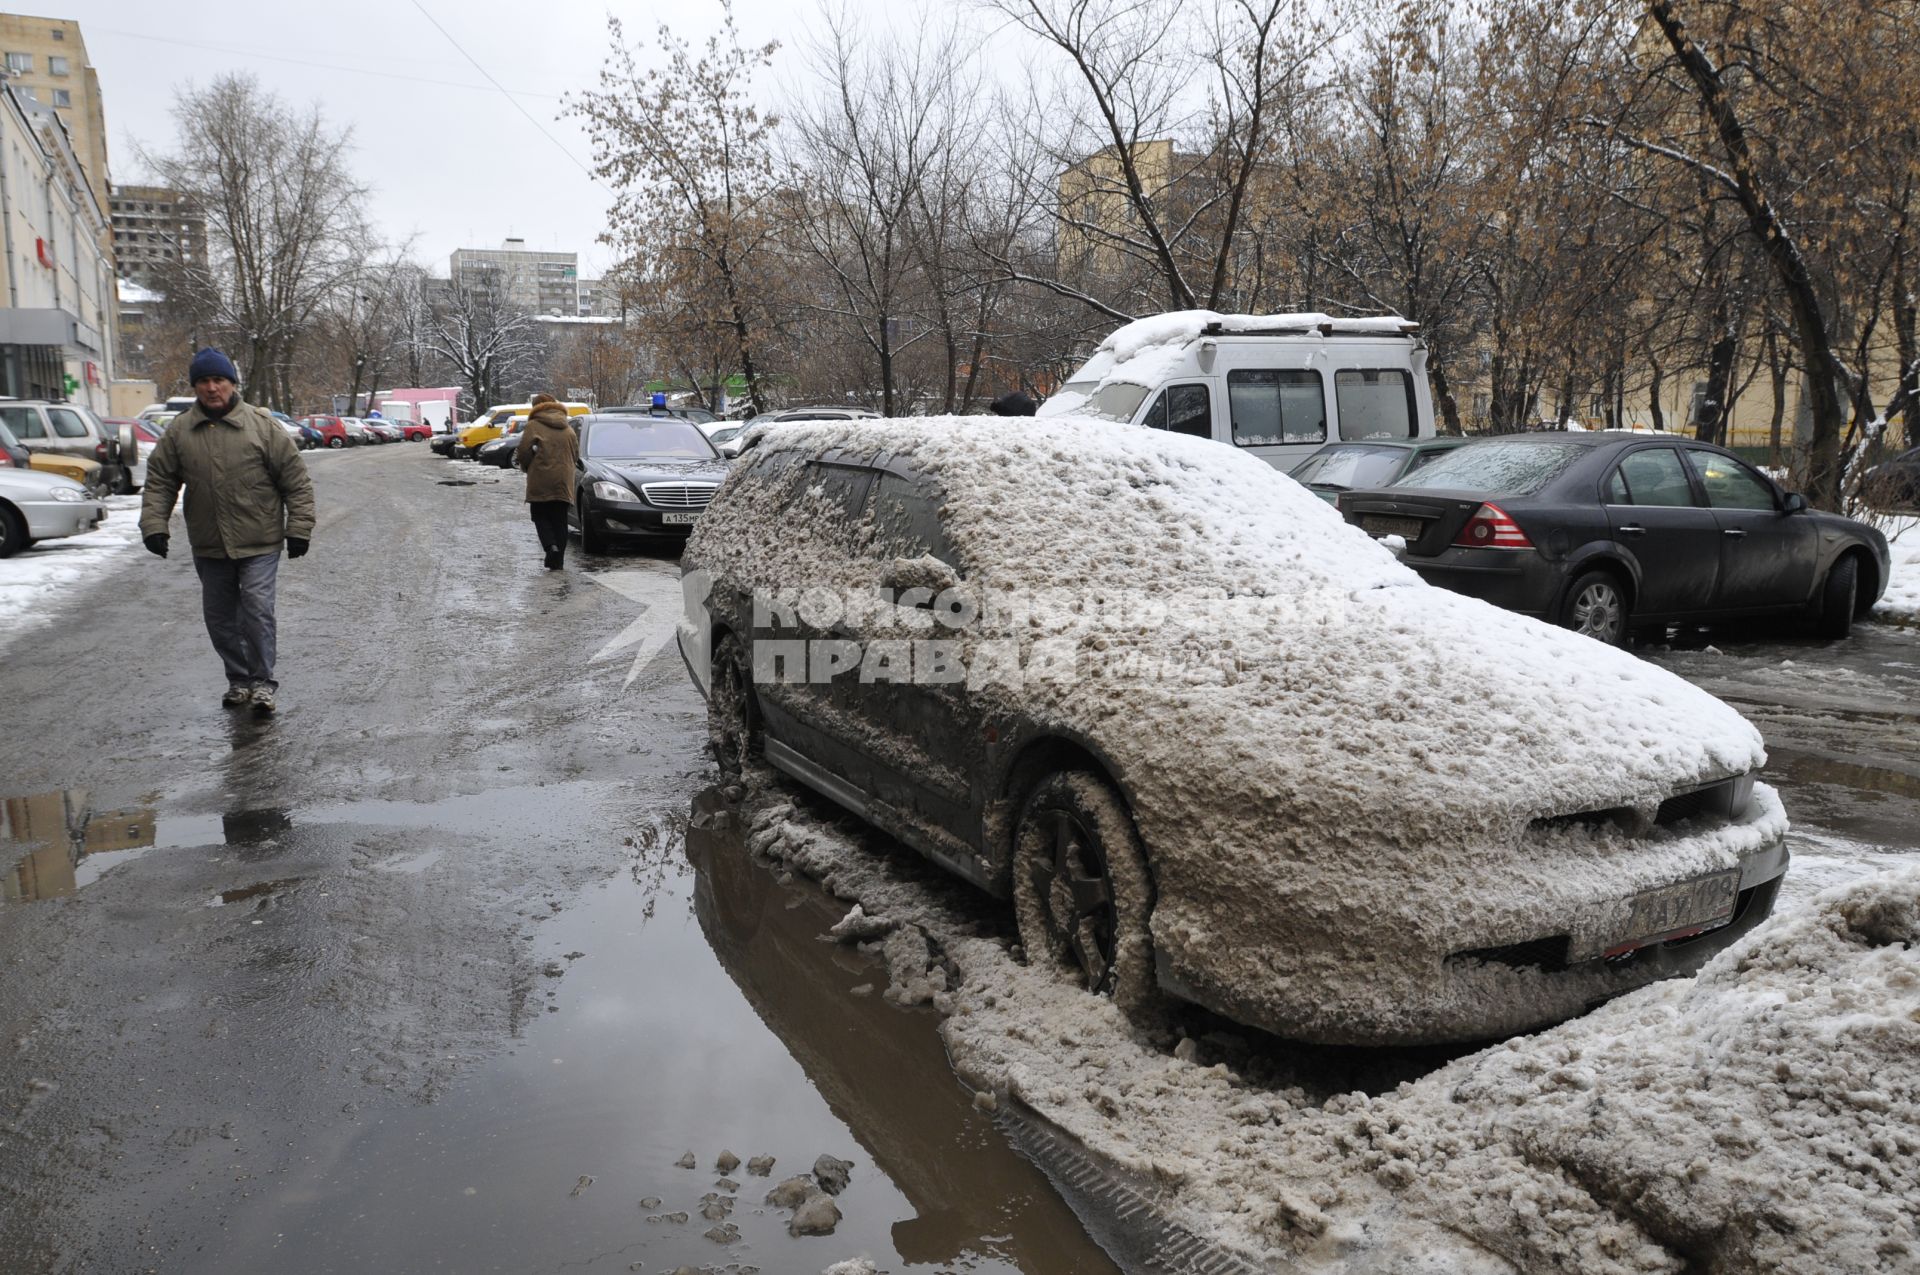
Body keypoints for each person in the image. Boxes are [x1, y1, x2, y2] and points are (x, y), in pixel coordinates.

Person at [139, 348, 316, 715]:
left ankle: (263, 682)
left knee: (256, 608)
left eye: (218, 380)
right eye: (203, 381)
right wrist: (154, 525)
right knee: (219, 618)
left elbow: (296, 481)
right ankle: (239, 680)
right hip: (210, 543)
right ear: (195, 387)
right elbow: (159, 481)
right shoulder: (180, 431)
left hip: (260, 540)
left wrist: (298, 528)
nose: (211, 388)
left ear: (232, 384)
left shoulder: (262, 426)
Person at [515, 393, 579, 570]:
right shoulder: (567, 426)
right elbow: (576, 454)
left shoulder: (533, 425)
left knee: (540, 514)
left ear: (536, 408)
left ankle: (550, 546)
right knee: (560, 520)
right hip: (563, 480)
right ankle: (558, 562)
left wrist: (527, 466)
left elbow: (523, 452)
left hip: (541, 478)